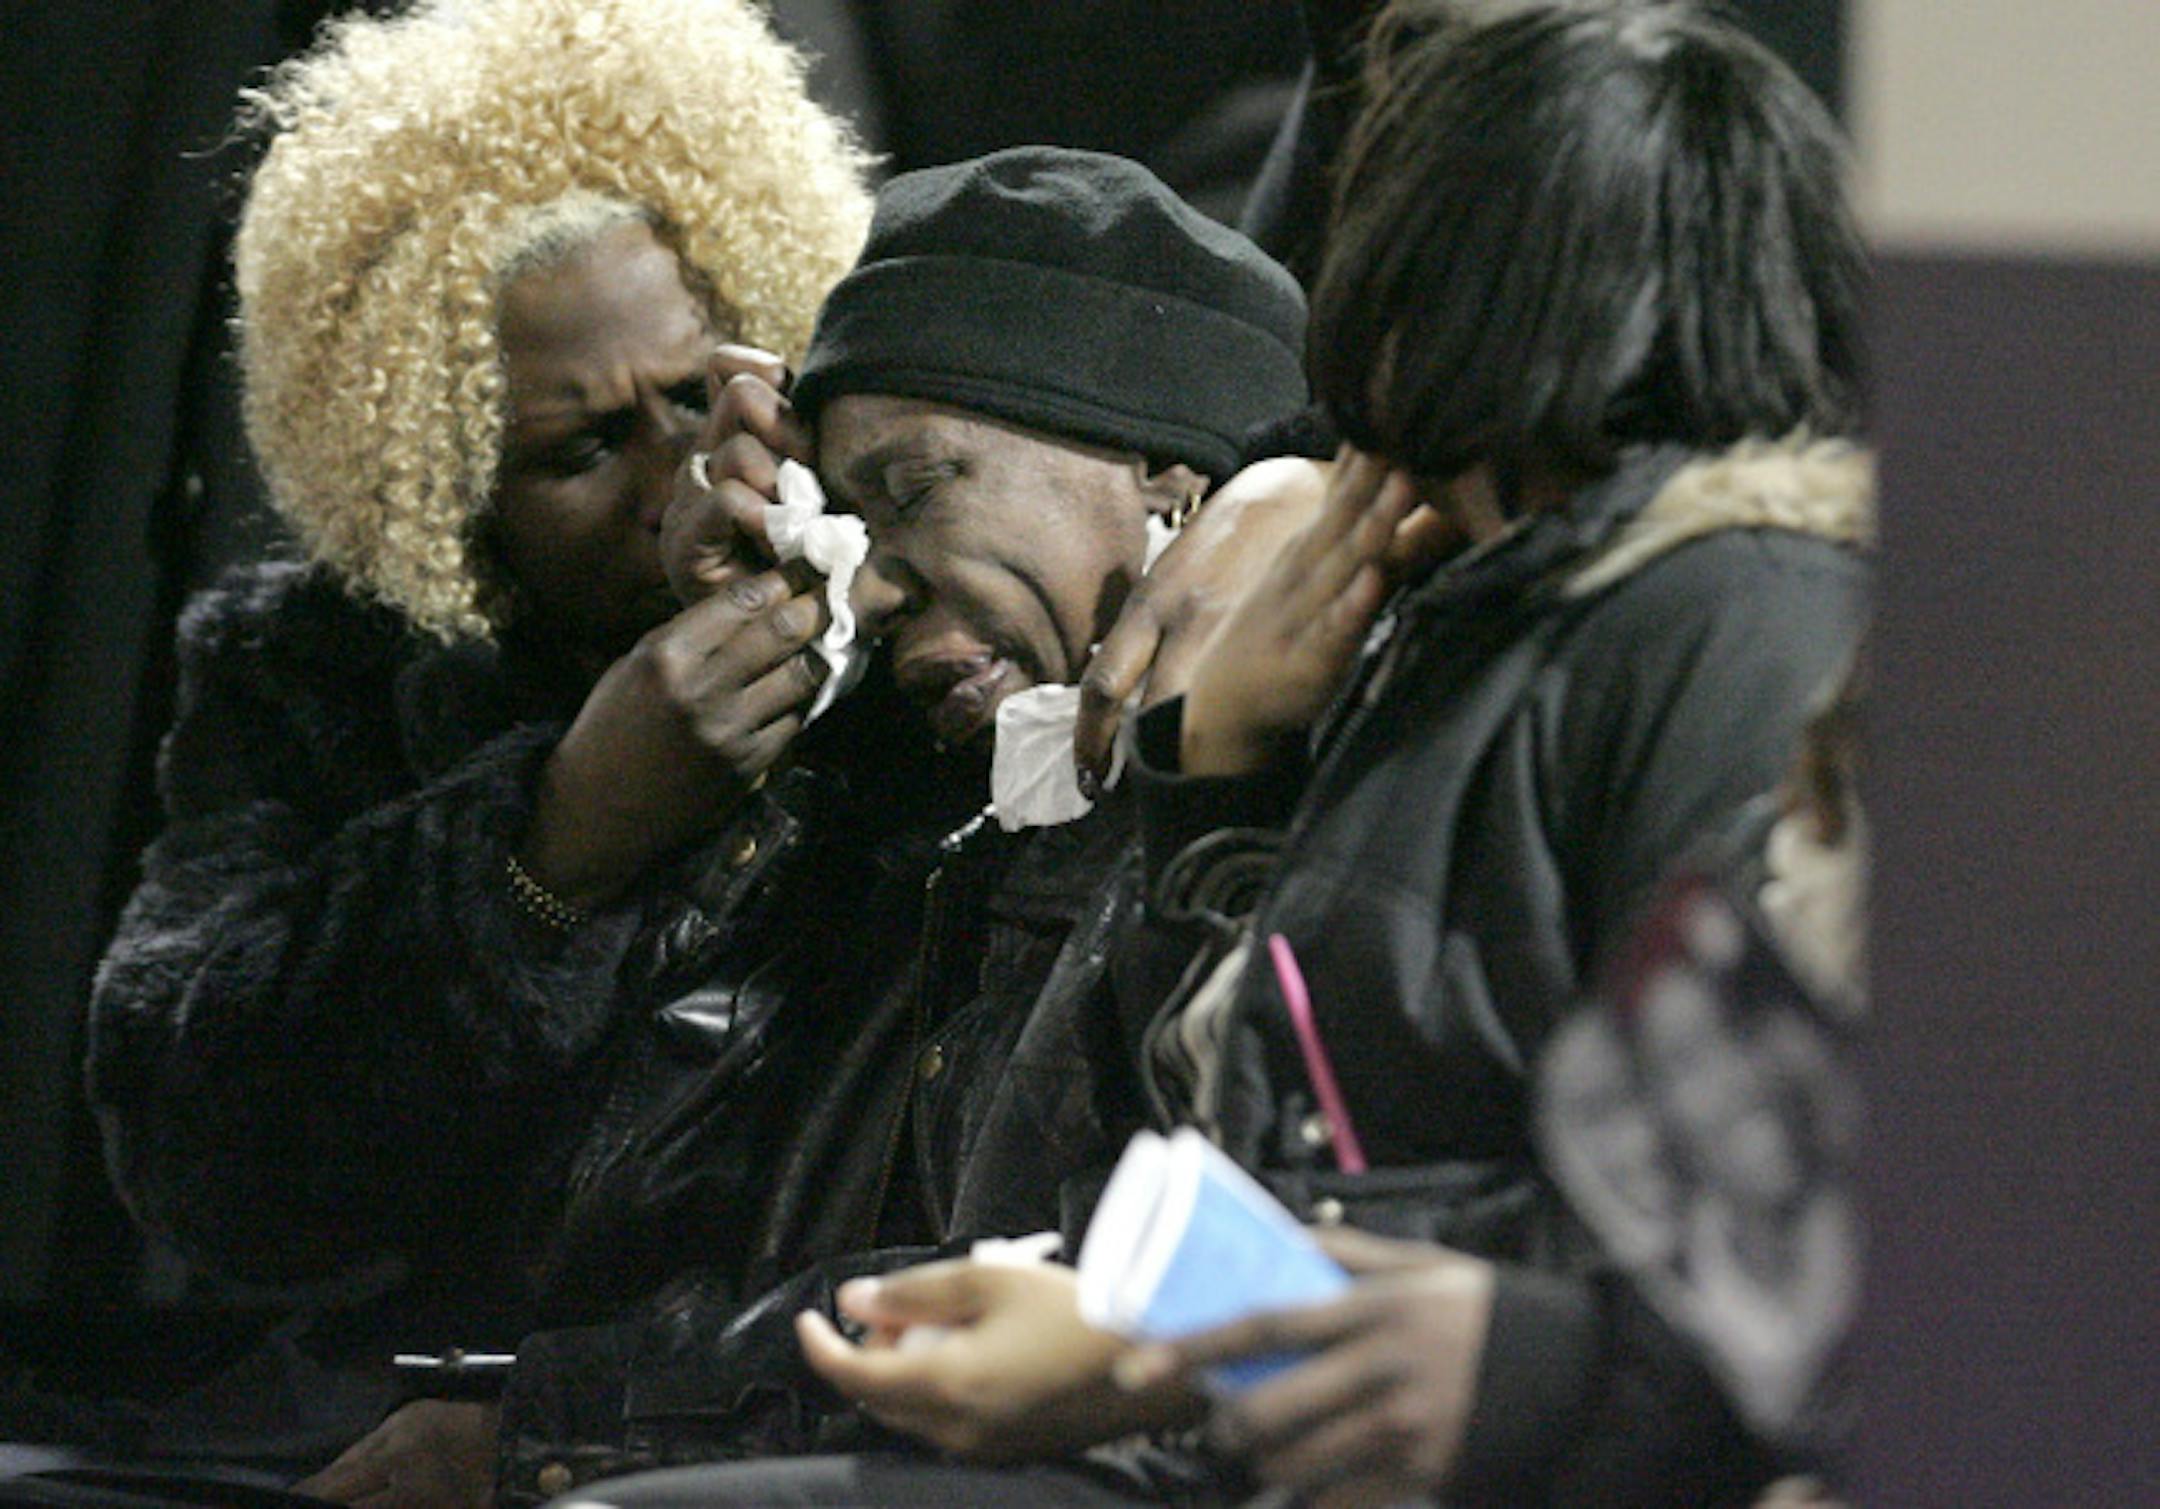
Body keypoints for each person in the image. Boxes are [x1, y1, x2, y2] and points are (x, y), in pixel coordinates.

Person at [619, 3, 1871, 1506]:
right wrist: (1211, 778)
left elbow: (1737, 1249)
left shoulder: (1731, 622)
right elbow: (1183, 1155)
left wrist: (1174, 1341)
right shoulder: (1453, 627)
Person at [269, 146, 1319, 1507]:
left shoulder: (1265, 807)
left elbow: (1122, 1301)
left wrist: (546, 1436)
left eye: (917, 487)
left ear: (1174, 488)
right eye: (843, 516)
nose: (865, 590)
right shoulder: (919, 812)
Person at [76, 0, 874, 1491]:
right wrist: (554, 840)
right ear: (444, 481)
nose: (675, 481)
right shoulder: (311, 671)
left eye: (696, 394)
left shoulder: (907, 621)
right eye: (581, 448)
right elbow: (196, 1153)